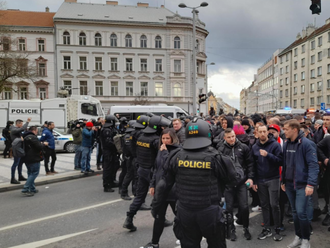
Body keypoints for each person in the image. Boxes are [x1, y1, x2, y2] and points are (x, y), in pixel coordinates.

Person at [152, 118, 238, 248]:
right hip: (209, 212)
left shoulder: (176, 156)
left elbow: (163, 185)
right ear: (208, 134)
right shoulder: (216, 158)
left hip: (185, 212)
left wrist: (156, 207)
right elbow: (233, 179)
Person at [123, 115, 171, 232]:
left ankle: (129, 218)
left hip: (141, 169)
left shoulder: (140, 137)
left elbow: (134, 151)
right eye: (161, 127)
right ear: (156, 127)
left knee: (140, 196)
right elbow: (160, 158)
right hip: (151, 172)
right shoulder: (155, 140)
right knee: (159, 196)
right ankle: (160, 218)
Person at [281, 119, 319, 248]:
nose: (283, 131)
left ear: (294, 129)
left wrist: (310, 184)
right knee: (295, 212)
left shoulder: (307, 144)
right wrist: (283, 180)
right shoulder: (286, 144)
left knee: (301, 212)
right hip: (289, 183)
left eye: (286, 129)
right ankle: (298, 236)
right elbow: (284, 164)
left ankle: (306, 239)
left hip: (302, 184)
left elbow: (313, 165)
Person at [141, 128, 180, 248]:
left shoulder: (177, 151)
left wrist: (163, 153)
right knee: (158, 217)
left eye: (168, 138)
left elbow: (167, 167)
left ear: (173, 139)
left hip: (172, 191)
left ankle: (184, 239)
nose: (165, 140)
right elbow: (157, 169)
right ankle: (154, 243)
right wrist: (153, 185)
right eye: (163, 138)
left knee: (179, 218)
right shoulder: (161, 149)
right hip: (161, 190)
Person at [217, 128, 254, 241]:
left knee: (244, 207)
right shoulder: (221, 149)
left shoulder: (243, 147)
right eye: (229, 137)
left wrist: (251, 178)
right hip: (228, 184)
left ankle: (246, 227)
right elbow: (219, 167)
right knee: (228, 208)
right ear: (224, 138)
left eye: (233, 136)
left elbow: (250, 164)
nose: (232, 139)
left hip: (242, 182)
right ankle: (231, 229)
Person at [251, 124, 283, 241]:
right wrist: (254, 180)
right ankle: (267, 228)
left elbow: (280, 161)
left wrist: (268, 155)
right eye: (261, 132)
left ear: (267, 133)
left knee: (274, 205)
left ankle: (278, 229)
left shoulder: (275, 145)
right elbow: (252, 165)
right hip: (260, 180)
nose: (263, 134)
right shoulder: (254, 147)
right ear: (257, 133)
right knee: (264, 205)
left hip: (273, 178)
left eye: (265, 131)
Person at [21, 126, 47, 196]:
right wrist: (44, 144)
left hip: (26, 158)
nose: (37, 132)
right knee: (34, 173)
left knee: (30, 173)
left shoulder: (25, 137)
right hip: (33, 158)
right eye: (36, 131)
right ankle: (25, 189)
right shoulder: (32, 137)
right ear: (34, 130)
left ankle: (32, 189)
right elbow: (39, 147)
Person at [101, 115, 119, 192]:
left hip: (112, 151)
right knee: (107, 169)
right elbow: (108, 142)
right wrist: (117, 145)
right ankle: (106, 185)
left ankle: (111, 182)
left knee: (114, 166)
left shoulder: (110, 129)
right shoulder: (106, 130)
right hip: (108, 151)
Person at [10, 118, 31, 184]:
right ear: (18, 124)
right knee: (15, 163)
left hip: (20, 148)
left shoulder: (17, 130)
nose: (22, 125)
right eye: (21, 124)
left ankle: (20, 176)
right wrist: (27, 122)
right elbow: (22, 128)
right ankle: (12, 178)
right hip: (17, 149)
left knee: (20, 163)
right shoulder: (13, 129)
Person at [120, 120, 137, 200]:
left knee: (134, 176)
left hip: (130, 157)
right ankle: (123, 192)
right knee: (129, 175)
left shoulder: (130, 134)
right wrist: (135, 155)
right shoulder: (128, 136)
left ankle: (134, 192)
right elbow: (130, 148)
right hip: (130, 158)